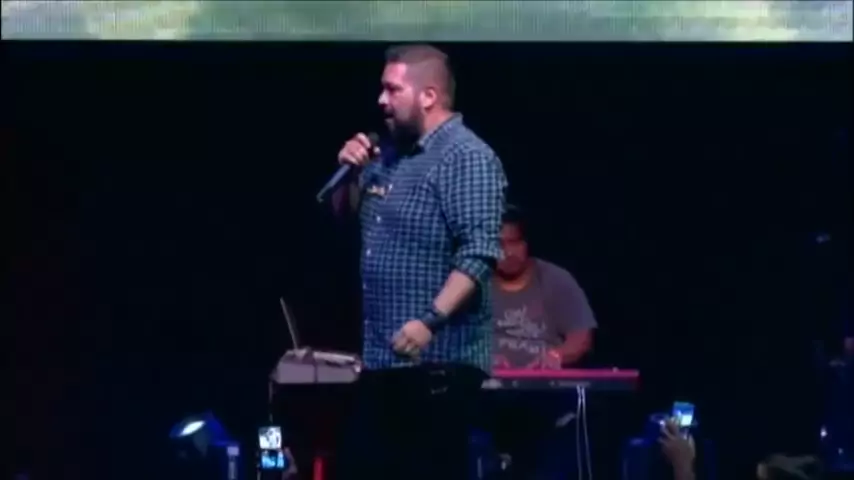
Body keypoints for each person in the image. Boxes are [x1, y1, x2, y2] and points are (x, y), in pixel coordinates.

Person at [332, 44, 507, 479]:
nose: (381, 100)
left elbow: (479, 253)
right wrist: (350, 174)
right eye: (382, 89)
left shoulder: (466, 156)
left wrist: (430, 320)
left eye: (393, 90)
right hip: (383, 362)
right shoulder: (388, 156)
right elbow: (346, 217)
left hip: (437, 368)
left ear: (428, 96)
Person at [492, 205, 597, 370]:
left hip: (545, 380)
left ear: (526, 243)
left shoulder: (555, 279)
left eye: (514, 243)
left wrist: (558, 355)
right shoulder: (474, 283)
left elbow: (581, 337)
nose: (508, 253)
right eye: (500, 245)